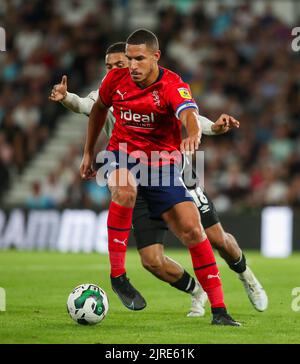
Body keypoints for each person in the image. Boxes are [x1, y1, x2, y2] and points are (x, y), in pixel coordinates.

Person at [50, 42, 268, 319]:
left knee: (216, 238)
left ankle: (245, 273)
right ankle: (196, 293)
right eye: (112, 66)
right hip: (131, 172)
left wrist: (211, 127)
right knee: (151, 260)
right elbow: (85, 106)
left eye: (123, 63)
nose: (122, 69)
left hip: (174, 171)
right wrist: (67, 96)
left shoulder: (164, 86)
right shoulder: (111, 88)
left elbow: (189, 115)